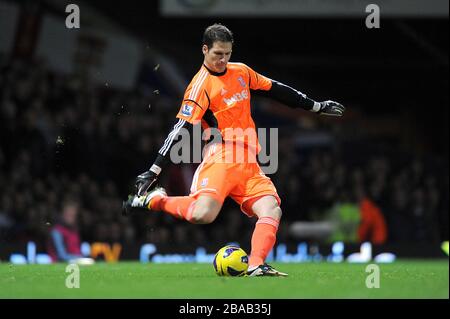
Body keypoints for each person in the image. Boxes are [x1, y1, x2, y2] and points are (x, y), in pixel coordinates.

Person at [123, 24, 345, 276]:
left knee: (271, 208)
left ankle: (256, 264)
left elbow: (276, 89)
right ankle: (155, 199)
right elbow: (180, 128)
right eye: (218, 53)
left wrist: (315, 106)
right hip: (221, 154)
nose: (223, 59)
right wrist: (154, 170)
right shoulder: (199, 86)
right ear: (204, 49)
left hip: (249, 160)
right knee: (203, 214)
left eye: (227, 53)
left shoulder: (241, 71)